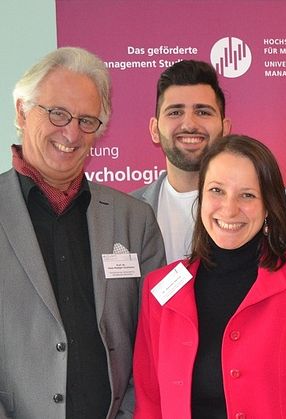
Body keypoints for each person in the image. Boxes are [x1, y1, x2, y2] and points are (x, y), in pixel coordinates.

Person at [134, 135, 286, 418]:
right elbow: (150, 401)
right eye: (216, 191)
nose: (229, 208)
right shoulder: (161, 287)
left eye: (247, 195)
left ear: (268, 207)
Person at [0, 47, 165, 419]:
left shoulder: (134, 221)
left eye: (87, 120)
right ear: (22, 112)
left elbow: (154, 344)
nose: (71, 133)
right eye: (57, 113)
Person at [132, 60, 231, 263]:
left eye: (202, 112)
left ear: (225, 128)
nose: (189, 124)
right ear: (154, 129)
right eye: (175, 112)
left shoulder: (254, 208)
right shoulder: (127, 212)